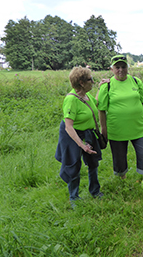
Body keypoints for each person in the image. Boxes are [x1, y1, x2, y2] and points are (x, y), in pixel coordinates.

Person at [97, 55, 143, 194]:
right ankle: (122, 180)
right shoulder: (107, 86)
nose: (121, 70)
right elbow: (101, 109)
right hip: (116, 129)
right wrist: (103, 129)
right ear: (112, 69)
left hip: (138, 127)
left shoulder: (136, 81)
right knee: (119, 156)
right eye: (117, 67)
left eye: (124, 67)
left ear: (128, 68)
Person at [55, 67, 103, 205]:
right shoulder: (71, 100)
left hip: (87, 132)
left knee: (93, 162)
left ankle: (95, 191)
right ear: (81, 83)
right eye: (90, 79)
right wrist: (82, 145)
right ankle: (74, 197)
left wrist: (101, 88)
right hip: (72, 134)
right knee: (73, 164)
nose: (93, 82)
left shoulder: (86, 96)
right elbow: (68, 126)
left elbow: (96, 104)